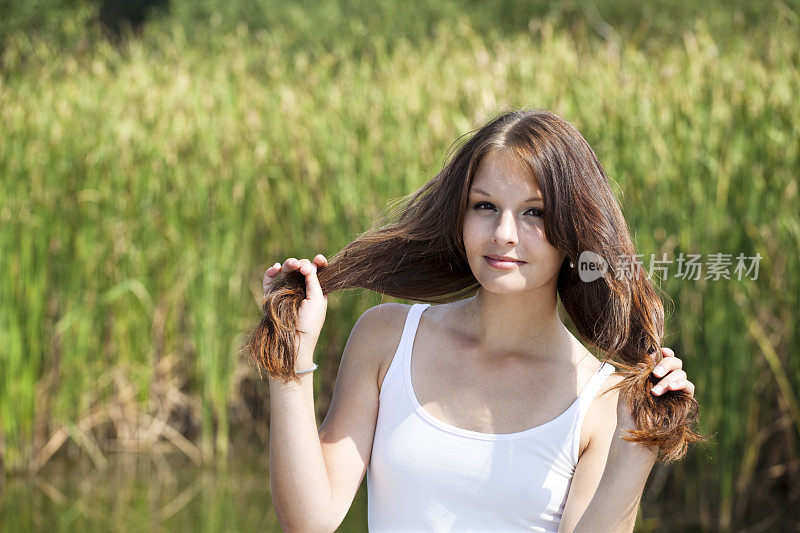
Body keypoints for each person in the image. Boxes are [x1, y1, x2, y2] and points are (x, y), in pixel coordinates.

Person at [249, 109, 701, 532]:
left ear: (572, 229)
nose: (504, 233)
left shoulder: (604, 401)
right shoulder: (387, 338)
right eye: (485, 206)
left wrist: (636, 453)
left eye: (534, 213)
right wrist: (290, 354)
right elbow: (309, 521)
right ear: (460, 215)